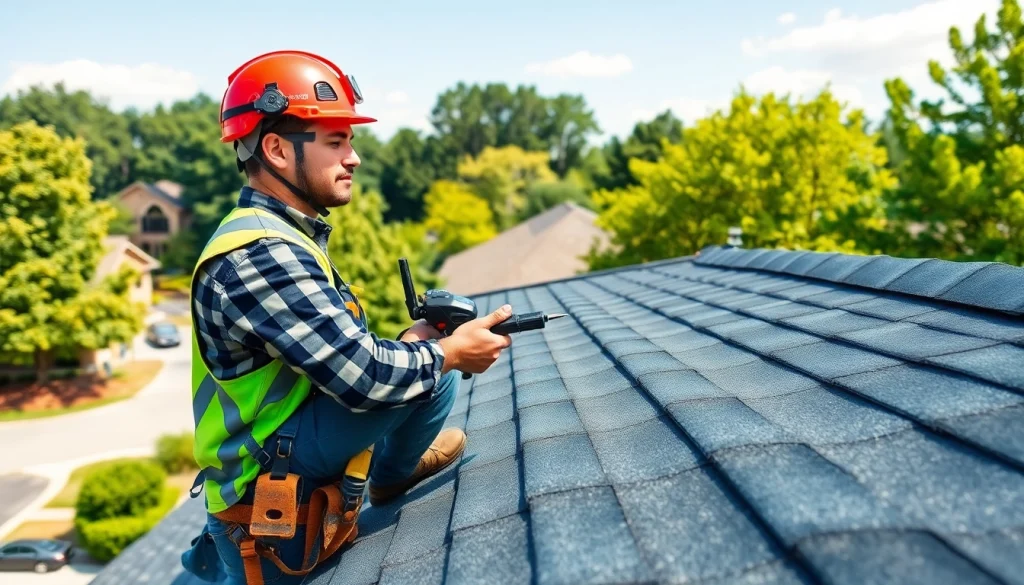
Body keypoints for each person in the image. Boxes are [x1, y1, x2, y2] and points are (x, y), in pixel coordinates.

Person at [181, 50, 513, 585]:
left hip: (292, 447)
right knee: (428, 366)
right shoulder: (259, 255)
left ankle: (390, 474)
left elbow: (340, 355)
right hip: (267, 505)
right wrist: (450, 352)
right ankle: (389, 466)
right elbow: (365, 378)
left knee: (426, 362)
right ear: (276, 150)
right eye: (335, 142)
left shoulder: (284, 236)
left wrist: (427, 347)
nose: (353, 157)